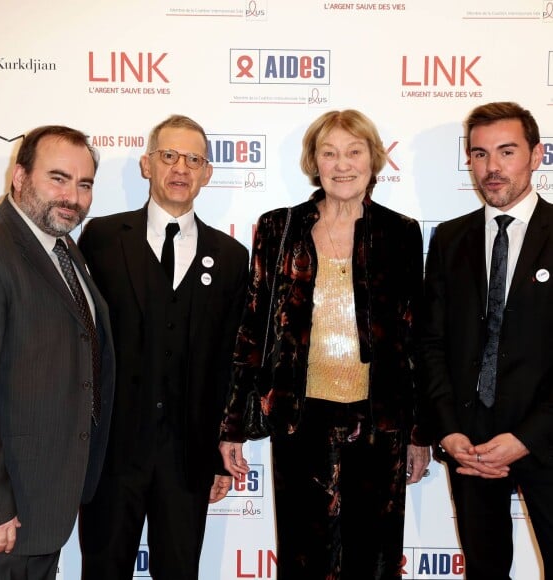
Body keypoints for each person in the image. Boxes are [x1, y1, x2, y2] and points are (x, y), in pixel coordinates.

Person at [220, 109, 431, 580]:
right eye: (329, 152)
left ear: (373, 160)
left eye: (354, 152)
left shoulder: (401, 232)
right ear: (314, 162)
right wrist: (232, 423)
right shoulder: (279, 228)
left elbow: (415, 337)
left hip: (381, 422)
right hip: (300, 420)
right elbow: (253, 329)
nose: (342, 164)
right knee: (303, 557)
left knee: (373, 560)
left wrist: (419, 434)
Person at [78, 114, 249, 580]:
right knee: (102, 570)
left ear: (208, 173)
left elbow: (230, 364)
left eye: (194, 159)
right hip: (112, 455)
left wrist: (220, 449)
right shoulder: (102, 239)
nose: (181, 168)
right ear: (146, 164)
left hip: (188, 459)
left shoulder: (232, 258)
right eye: (169, 155)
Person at [0, 125, 115, 580]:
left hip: (45, 502)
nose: (72, 196)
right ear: (19, 177)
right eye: (58, 178)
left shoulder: (62, 245)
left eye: (85, 184)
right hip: (3, 517)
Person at [421, 101, 553, 579]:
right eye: (479, 154)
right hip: (469, 447)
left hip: (547, 439)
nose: (492, 168)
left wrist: (526, 438)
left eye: (507, 151)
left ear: (537, 155)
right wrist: (449, 431)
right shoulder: (449, 239)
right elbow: (431, 343)